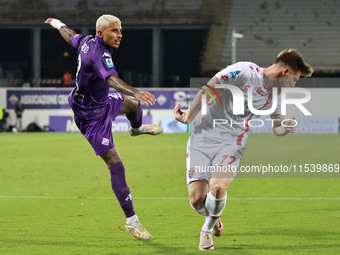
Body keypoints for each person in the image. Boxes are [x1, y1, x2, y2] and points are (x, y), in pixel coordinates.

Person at [174, 49, 313, 250]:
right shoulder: (244, 72)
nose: (293, 84)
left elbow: (277, 127)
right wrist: (188, 117)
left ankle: (207, 230)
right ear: (285, 72)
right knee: (197, 200)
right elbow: (210, 88)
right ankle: (214, 216)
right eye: (294, 79)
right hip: (202, 136)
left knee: (219, 186)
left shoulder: (277, 95)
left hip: (233, 141)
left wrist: (287, 128)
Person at [45, 14, 163, 240]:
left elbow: (69, 34)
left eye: (120, 31)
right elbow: (112, 80)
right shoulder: (99, 54)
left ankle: (137, 129)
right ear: (101, 33)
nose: (120, 35)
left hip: (102, 102)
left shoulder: (86, 40)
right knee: (116, 165)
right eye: (115, 31)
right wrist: (136, 90)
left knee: (133, 105)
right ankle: (132, 221)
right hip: (91, 117)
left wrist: (56, 23)